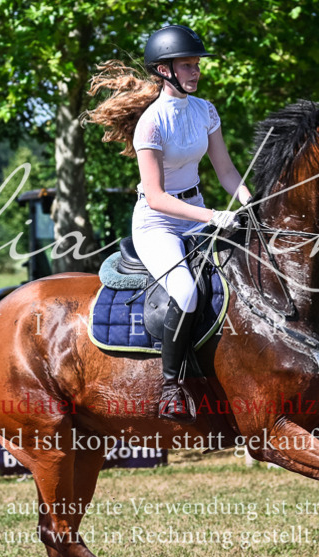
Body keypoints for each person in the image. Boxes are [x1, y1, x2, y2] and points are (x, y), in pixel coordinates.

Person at [85, 25, 252, 423]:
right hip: (157, 223)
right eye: (188, 65)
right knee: (186, 290)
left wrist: (249, 202)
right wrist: (214, 216)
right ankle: (171, 387)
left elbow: (226, 170)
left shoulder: (205, 110)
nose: (196, 72)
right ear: (164, 70)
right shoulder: (151, 123)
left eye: (196, 65)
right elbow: (157, 196)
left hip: (195, 211)